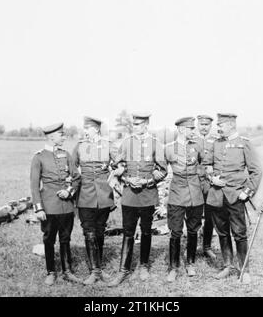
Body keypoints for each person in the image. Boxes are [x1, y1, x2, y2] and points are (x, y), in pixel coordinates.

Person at [108, 112, 167, 286]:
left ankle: (143, 266)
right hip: (129, 196)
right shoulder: (127, 143)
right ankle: (123, 270)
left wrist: (148, 180)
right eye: (134, 124)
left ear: (146, 125)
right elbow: (117, 165)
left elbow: (163, 170)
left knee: (147, 231)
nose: (136, 127)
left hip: (148, 194)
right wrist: (127, 179)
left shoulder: (156, 144)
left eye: (139, 125)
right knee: (128, 232)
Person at [205, 113, 262, 280]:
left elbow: (256, 171)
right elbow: (207, 165)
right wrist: (211, 177)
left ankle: (244, 270)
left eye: (220, 125)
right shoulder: (216, 143)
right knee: (222, 233)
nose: (218, 127)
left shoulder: (244, 143)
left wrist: (247, 191)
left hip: (236, 195)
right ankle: (227, 266)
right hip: (216, 195)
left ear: (230, 124)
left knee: (239, 233)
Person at [30, 122, 81, 286]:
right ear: (52, 137)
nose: (64, 137)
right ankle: (51, 272)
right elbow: (34, 185)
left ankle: (67, 271)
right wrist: (39, 208)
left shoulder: (66, 154)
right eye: (61, 135)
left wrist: (69, 191)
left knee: (65, 239)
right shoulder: (39, 157)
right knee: (49, 240)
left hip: (66, 206)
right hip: (49, 207)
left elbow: (76, 178)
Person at [71, 116, 117, 285]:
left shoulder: (108, 145)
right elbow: (71, 167)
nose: (85, 131)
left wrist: (112, 169)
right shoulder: (80, 146)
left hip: (104, 195)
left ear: (96, 129)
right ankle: (95, 271)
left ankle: (98, 267)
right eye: (84, 128)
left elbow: (120, 163)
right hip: (85, 194)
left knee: (99, 230)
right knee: (89, 231)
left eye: (88, 129)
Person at [164, 117, 206, 282]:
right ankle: (173, 267)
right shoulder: (169, 148)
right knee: (175, 231)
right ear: (181, 129)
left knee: (193, 230)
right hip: (177, 194)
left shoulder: (197, 146)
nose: (193, 131)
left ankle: (190, 263)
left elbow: (203, 164)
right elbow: (161, 168)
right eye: (190, 129)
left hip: (195, 194)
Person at [196, 115, 218, 261]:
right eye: (201, 124)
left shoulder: (216, 140)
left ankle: (207, 246)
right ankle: (192, 246)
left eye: (207, 124)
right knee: (194, 215)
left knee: (210, 216)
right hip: (196, 182)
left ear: (211, 125)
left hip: (210, 183)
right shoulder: (192, 139)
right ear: (198, 124)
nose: (204, 127)